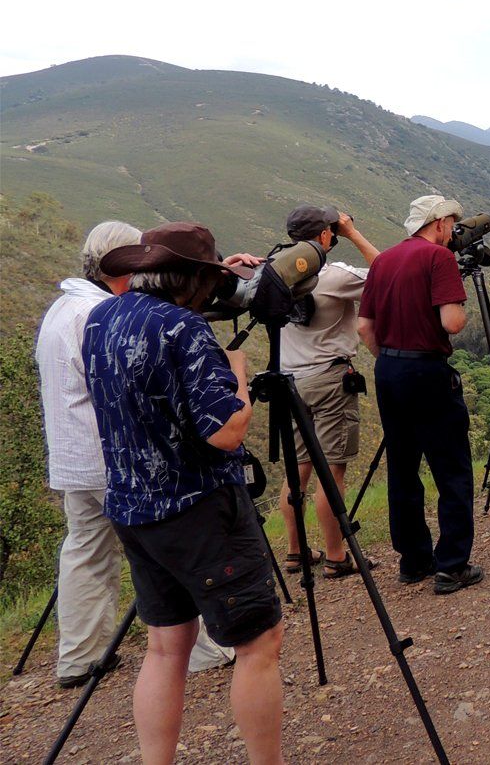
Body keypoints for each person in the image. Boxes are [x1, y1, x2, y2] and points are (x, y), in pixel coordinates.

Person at [82, 223, 284, 765]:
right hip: (197, 508)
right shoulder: (183, 327)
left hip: (132, 507)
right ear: (193, 279)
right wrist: (237, 375)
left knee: (166, 647)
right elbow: (227, 432)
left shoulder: (101, 316)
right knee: (257, 643)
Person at [35, 221, 234, 689]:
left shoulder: (63, 307)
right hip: (117, 457)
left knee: (85, 552)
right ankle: (207, 648)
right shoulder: (103, 314)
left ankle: (80, 655)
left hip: (71, 458)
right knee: (175, 547)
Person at [357, 194, 483, 595]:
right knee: (451, 468)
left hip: (388, 370)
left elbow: (364, 328)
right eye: (452, 223)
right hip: (427, 370)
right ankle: (452, 566)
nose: (453, 230)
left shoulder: (383, 261)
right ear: (440, 223)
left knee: (403, 468)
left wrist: (389, 359)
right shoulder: (439, 258)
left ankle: (413, 561)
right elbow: (453, 322)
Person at [278, 205, 380, 578]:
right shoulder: (333, 275)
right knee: (332, 471)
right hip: (328, 381)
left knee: (297, 472)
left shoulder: (275, 273)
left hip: (289, 383)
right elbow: (387, 270)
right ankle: (337, 556)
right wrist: (351, 232)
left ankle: (296, 552)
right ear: (325, 235)